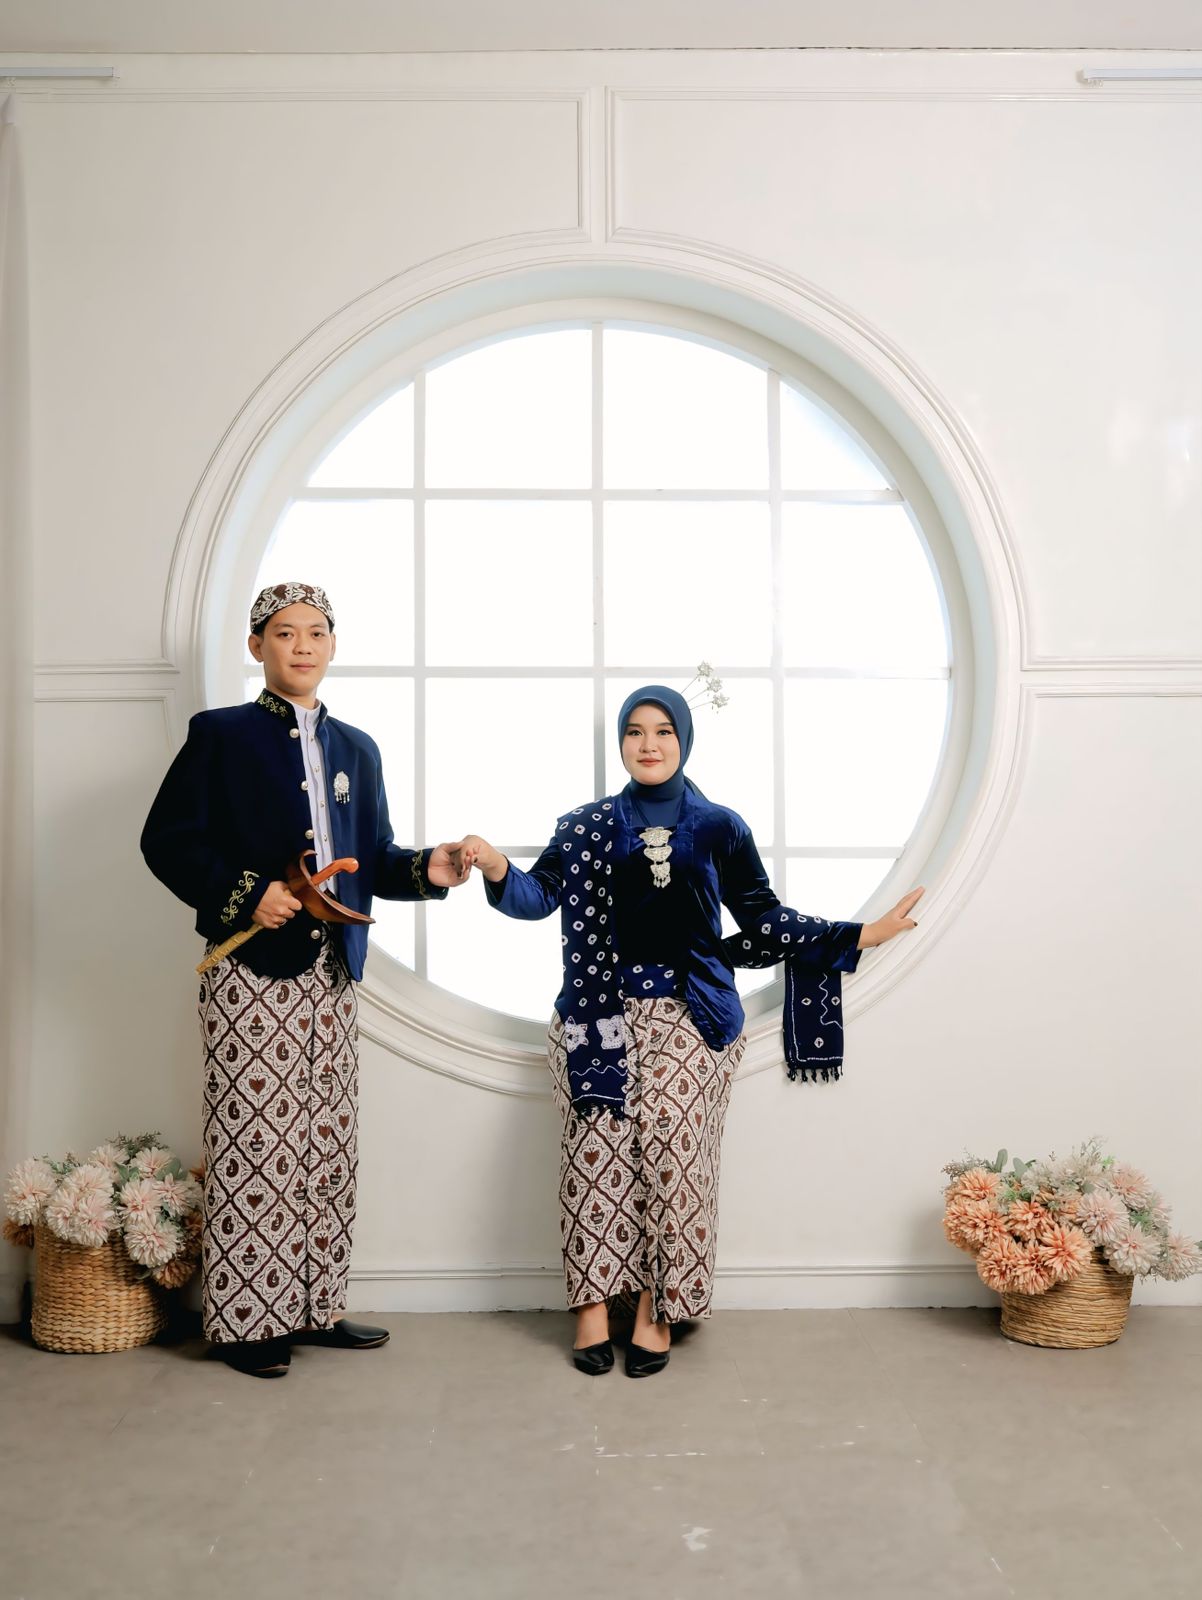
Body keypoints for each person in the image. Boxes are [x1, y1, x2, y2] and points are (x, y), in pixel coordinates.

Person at [451, 685, 922, 1378]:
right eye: (635, 731)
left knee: (675, 1150)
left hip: (691, 1012)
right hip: (595, 1012)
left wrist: (859, 935)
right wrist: (496, 867)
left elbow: (761, 916)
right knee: (594, 1152)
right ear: (620, 741)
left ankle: (658, 1306)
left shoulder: (719, 826)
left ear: (684, 740)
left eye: (663, 731)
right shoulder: (584, 826)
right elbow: (537, 897)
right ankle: (590, 1307)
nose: (648, 744)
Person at [141, 581, 469, 1377]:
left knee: (324, 1141)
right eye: (284, 632)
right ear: (257, 646)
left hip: (332, 972)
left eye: (316, 632)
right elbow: (166, 840)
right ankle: (248, 1324)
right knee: (257, 1142)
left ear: (333, 645)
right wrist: (248, 892)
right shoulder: (220, 736)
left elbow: (377, 860)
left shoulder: (359, 749)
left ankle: (314, 1307)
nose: (302, 645)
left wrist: (431, 870)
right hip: (251, 965)